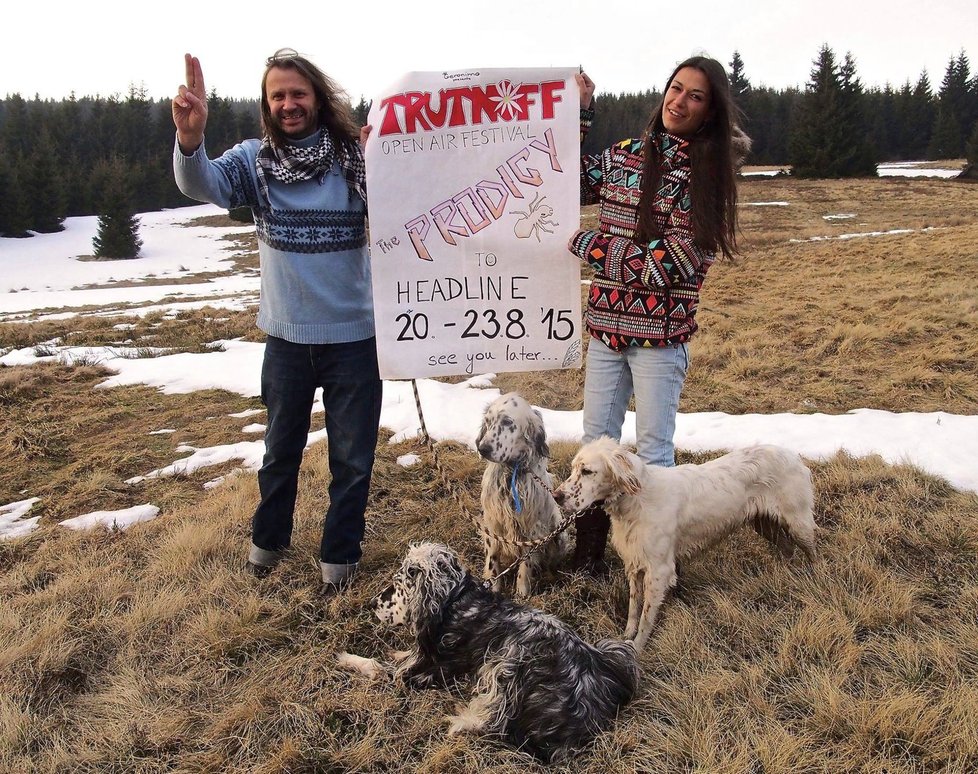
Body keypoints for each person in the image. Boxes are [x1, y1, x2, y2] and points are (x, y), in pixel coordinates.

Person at [171, 50, 382, 594]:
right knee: (279, 453)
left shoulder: (356, 159)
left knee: (353, 461)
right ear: (268, 105)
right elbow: (203, 185)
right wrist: (190, 141)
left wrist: (388, 158)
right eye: (278, 96)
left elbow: (410, 202)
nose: (289, 104)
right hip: (286, 339)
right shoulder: (255, 162)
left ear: (318, 98)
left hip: (356, 339)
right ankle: (266, 549)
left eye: (298, 94)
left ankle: (339, 562)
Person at [567, 58, 747, 573]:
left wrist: (591, 244)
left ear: (710, 111)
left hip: (661, 340)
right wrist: (579, 115)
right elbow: (570, 181)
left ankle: (652, 563)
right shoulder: (625, 156)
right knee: (593, 446)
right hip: (605, 330)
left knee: (652, 454)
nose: (679, 101)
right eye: (675, 89)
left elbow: (671, 266)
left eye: (695, 96)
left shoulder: (708, 180)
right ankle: (588, 555)